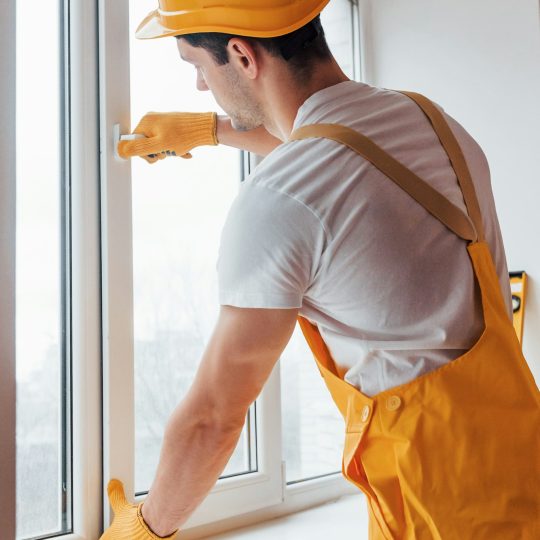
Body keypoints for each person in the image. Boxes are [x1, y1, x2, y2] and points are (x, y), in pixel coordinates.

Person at [101, 1, 540, 539]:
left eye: (197, 67)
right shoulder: (433, 122)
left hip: (436, 514)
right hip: (524, 471)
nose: (199, 87)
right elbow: (336, 146)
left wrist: (145, 528)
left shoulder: (278, 199)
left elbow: (212, 418)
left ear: (241, 55)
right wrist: (212, 130)